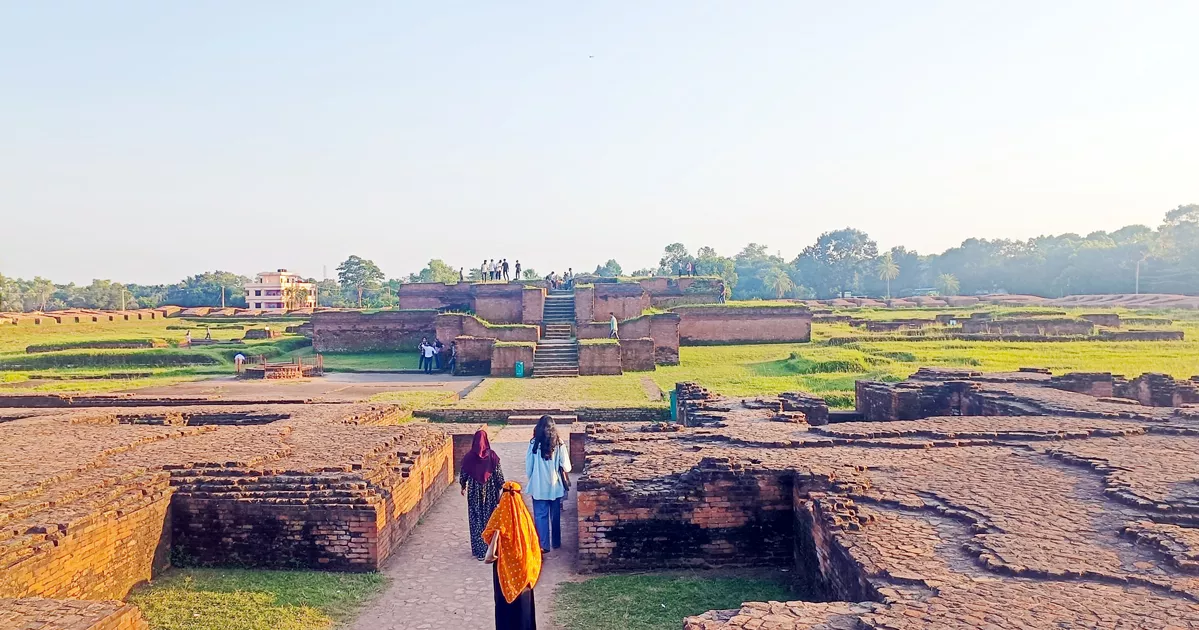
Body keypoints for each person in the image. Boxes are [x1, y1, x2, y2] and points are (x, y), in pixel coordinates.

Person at [482, 481, 540, 629]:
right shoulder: (524, 516)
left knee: (504, 604)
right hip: (524, 568)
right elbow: (534, 543)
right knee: (523, 606)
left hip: (504, 567)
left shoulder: (499, 515)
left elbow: (488, 535)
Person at [525, 415, 571, 554]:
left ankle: (544, 545)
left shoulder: (534, 444)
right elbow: (567, 467)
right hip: (554, 486)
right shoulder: (559, 443)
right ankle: (556, 542)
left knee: (540, 516)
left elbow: (529, 468)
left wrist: (534, 478)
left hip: (539, 486)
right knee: (555, 516)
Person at [461, 428, 505, 560]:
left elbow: (464, 474)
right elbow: (499, 476)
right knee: (490, 519)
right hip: (490, 492)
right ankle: (490, 548)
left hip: (474, 492)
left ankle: (479, 551)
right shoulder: (492, 456)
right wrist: (502, 488)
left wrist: (463, 485)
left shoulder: (469, 457)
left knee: (476, 520)